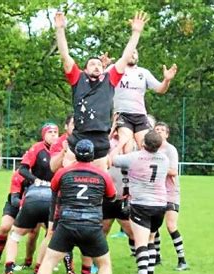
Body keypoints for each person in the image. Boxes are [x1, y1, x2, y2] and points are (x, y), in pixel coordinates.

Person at [54, 11, 149, 170]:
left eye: (99, 64)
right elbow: (65, 55)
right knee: (67, 172)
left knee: (100, 178)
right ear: (84, 69)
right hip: (79, 134)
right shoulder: (78, 79)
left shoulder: (109, 80)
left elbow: (125, 57)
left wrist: (136, 33)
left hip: (101, 138)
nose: (96, 66)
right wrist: (60, 29)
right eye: (92, 64)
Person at [34, 140, 117, 274]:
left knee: (49, 261)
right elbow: (112, 196)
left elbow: (54, 189)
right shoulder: (102, 175)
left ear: (75, 154)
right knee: (104, 264)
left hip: (67, 224)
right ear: (93, 155)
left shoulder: (63, 172)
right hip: (91, 225)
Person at [0, 123, 59, 274]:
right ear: (43, 134)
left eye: (55, 132)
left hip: (53, 197)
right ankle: (17, 268)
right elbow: (23, 169)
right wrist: (36, 180)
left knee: (51, 233)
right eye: (49, 132)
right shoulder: (37, 149)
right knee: (39, 233)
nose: (53, 134)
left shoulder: (62, 150)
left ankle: (59, 269)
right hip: (36, 196)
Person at [111, 130, 169, 274]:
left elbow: (112, 160)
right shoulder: (164, 158)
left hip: (141, 204)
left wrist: (121, 144)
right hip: (160, 204)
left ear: (143, 143)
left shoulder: (134, 157)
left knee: (141, 241)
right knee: (151, 238)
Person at [110, 49, 177, 154]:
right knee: (127, 145)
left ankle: (143, 169)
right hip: (123, 114)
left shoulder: (143, 72)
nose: (132, 55)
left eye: (134, 53)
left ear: (138, 56)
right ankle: (126, 169)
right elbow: (98, 79)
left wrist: (167, 80)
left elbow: (160, 89)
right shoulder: (115, 69)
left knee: (146, 147)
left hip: (140, 115)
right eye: (130, 52)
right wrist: (103, 66)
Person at [154, 122, 189, 271]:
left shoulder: (170, 150)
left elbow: (174, 171)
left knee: (171, 225)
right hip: (155, 192)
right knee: (153, 227)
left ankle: (182, 260)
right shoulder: (150, 149)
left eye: (162, 130)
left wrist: (156, 166)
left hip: (170, 192)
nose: (159, 132)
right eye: (157, 130)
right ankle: (156, 257)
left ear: (167, 134)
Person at [0, 170, 39, 269]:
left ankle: (28, 261)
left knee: (33, 233)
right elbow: (14, 200)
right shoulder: (19, 174)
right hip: (16, 205)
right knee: (4, 227)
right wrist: (26, 203)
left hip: (34, 206)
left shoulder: (43, 174)